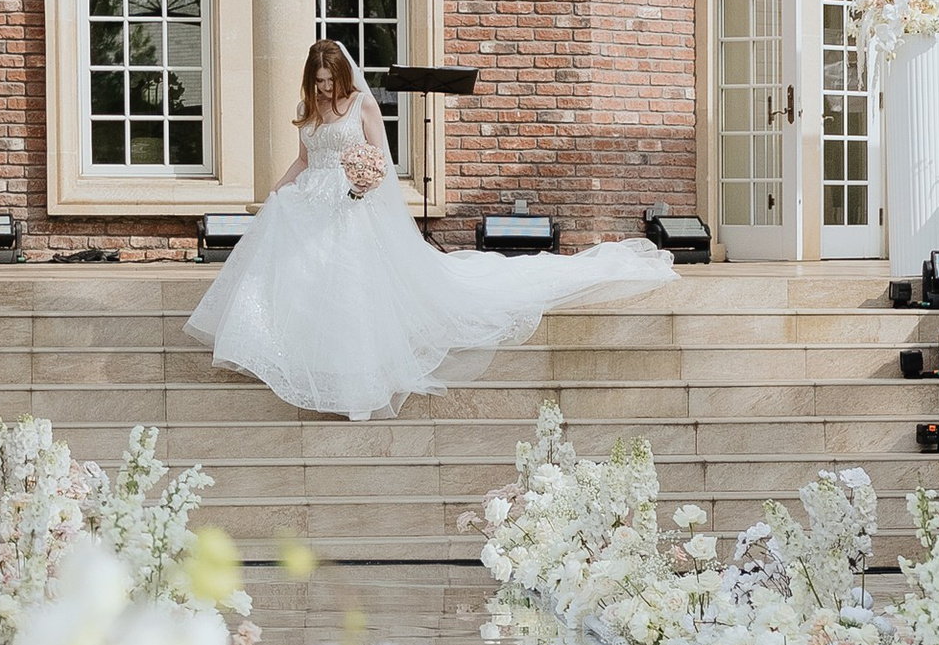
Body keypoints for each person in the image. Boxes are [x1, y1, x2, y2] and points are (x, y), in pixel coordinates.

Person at [187, 40, 679, 420]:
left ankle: (356, 386)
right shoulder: (308, 113)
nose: (322, 91)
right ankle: (307, 365)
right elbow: (302, 159)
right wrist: (275, 193)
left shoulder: (361, 105)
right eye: (315, 84)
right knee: (298, 281)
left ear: (340, 75)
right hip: (309, 202)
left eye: (327, 81)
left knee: (348, 292)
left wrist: (361, 184)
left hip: (348, 204)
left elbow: (378, 157)